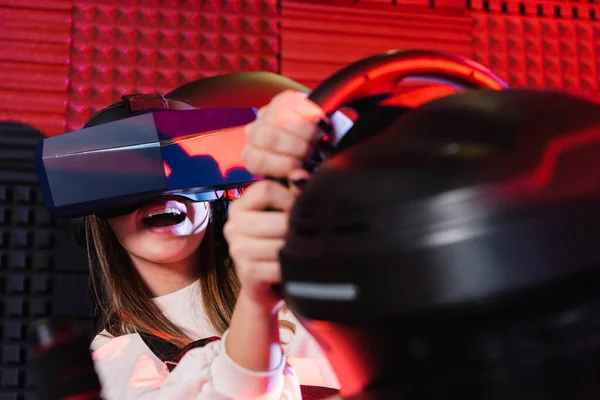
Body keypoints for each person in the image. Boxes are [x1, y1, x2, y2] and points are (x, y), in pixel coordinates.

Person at [85, 91, 344, 399]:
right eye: (131, 176)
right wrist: (258, 303)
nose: (161, 189)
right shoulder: (112, 358)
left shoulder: (300, 269)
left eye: (186, 165)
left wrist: (328, 131)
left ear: (222, 192)